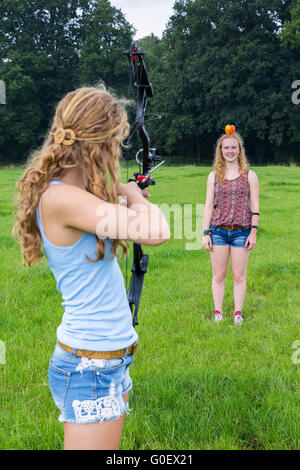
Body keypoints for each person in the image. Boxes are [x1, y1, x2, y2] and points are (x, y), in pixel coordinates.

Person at [13, 86, 170, 450]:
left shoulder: (74, 195)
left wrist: (120, 192)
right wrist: (131, 195)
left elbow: (106, 208)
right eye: (115, 142)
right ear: (97, 146)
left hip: (106, 360)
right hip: (90, 365)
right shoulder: (62, 199)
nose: (118, 151)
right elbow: (157, 230)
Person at [202, 127, 259, 324]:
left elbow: (255, 206)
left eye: (233, 147)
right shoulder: (213, 176)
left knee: (238, 275)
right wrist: (205, 233)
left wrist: (253, 232)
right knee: (219, 275)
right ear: (221, 150)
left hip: (242, 231)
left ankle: (238, 313)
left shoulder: (250, 175)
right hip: (218, 231)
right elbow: (209, 205)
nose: (230, 151)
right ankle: (218, 312)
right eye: (226, 147)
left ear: (239, 150)